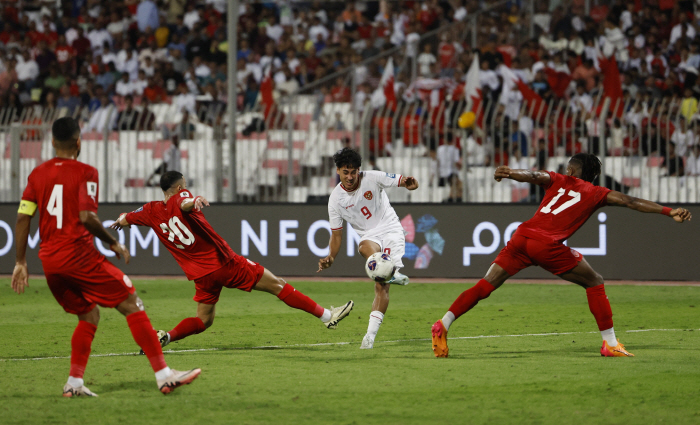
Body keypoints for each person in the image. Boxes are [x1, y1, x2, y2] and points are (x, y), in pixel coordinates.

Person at [431, 153, 692, 358]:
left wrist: (511, 173)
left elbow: (534, 175)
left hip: (522, 236)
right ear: (594, 176)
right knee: (595, 281)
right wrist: (668, 211)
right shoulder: (597, 193)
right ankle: (610, 344)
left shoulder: (557, 178)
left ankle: (443, 323)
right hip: (546, 244)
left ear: (570, 170)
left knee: (485, 285)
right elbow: (630, 202)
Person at [11, 118, 201, 396]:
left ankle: (74, 383)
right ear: (79, 142)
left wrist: (20, 261)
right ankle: (164, 375)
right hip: (78, 256)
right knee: (132, 303)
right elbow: (87, 218)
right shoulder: (86, 172)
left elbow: (22, 217)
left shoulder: (37, 174)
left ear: (52, 142)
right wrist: (113, 243)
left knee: (88, 314)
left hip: (49, 262)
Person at [111, 171, 354, 350]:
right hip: (224, 263)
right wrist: (192, 201)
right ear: (178, 187)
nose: (187, 189)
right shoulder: (181, 196)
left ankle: (166, 337)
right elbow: (184, 203)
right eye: (185, 185)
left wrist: (120, 221)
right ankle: (326, 316)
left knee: (204, 320)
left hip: (200, 275)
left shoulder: (151, 211)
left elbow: (125, 218)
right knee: (277, 284)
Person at [317, 148, 420, 349]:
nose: (350, 177)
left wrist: (409, 183)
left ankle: (369, 336)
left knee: (381, 286)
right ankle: (391, 272)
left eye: (353, 172)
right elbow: (337, 236)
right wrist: (331, 257)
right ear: (338, 171)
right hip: (370, 237)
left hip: (391, 230)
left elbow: (401, 180)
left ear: (359, 170)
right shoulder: (335, 200)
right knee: (363, 247)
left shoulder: (373, 178)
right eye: (345, 172)